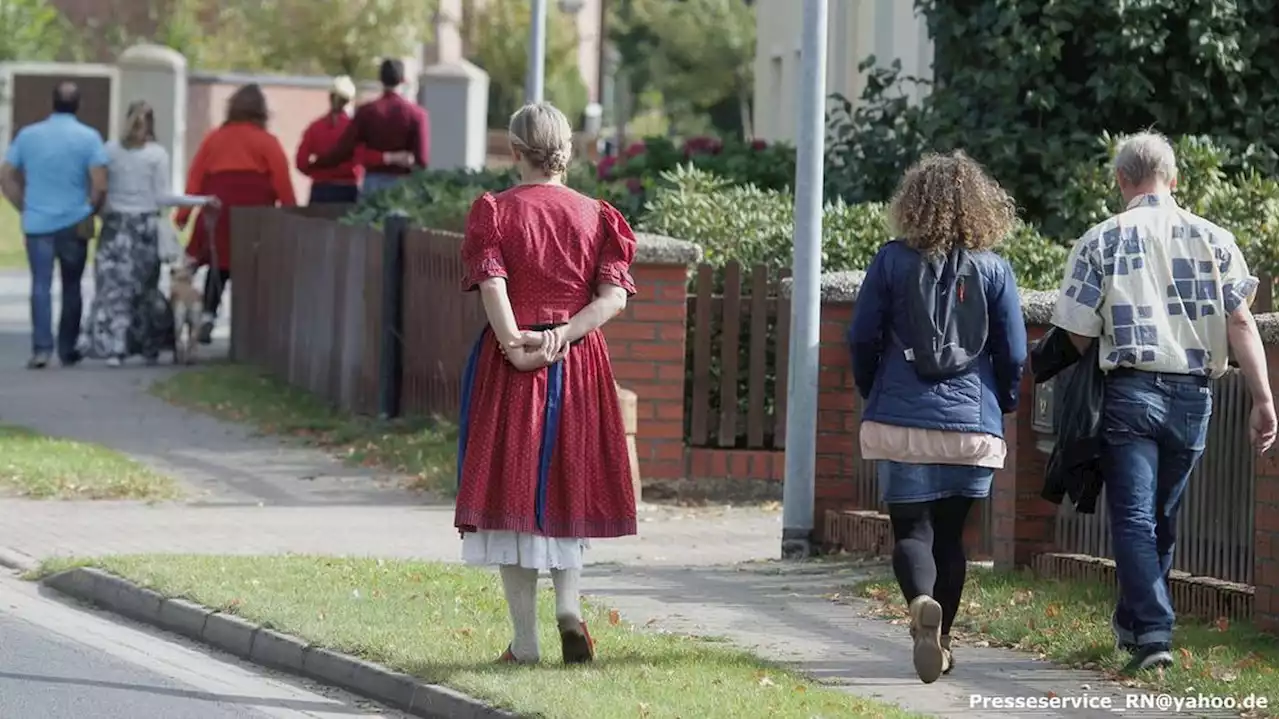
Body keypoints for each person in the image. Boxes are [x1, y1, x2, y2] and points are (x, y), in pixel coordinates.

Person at [1050, 132, 1276, 674]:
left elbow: (1076, 335)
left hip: (1130, 392)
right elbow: (1241, 320)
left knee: (1133, 519)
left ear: (1121, 181)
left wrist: (1032, 365)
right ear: (1175, 181)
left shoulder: (1101, 239)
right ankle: (1135, 630)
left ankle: (1151, 631)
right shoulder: (1215, 239)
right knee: (1160, 516)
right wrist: (1263, 399)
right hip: (1194, 395)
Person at [454, 102, 636, 665]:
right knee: (567, 477)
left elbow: (493, 284)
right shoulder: (597, 215)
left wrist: (515, 342)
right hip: (577, 362)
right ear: (568, 150)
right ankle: (569, 606)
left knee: (512, 488)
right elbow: (613, 298)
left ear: (514, 151)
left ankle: (526, 641)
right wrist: (564, 335)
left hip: (514, 363)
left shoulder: (495, 212)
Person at [847, 151, 1027, 684]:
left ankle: (921, 601)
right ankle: (942, 638)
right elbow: (1014, 352)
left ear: (912, 203)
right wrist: (1005, 402)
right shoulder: (995, 269)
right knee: (952, 539)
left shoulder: (890, 261)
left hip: (902, 421)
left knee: (910, 531)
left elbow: (860, 336)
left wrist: (872, 388)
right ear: (981, 206)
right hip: (973, 428)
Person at [177, 83, 297, 345]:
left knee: (217, 265)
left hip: (217, 214)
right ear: (261, 112)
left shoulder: (214, 139)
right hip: (255, 219)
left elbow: (196, 178)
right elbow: (282, 183)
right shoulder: (267, 142)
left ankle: (208, 314)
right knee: (253, 270)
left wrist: (182, 215)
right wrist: (291, 214)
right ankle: (251, 325)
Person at [0, 81, 108, 369]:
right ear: (78, 105)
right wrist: (90, 210)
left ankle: (41, 349)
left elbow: (6, 174)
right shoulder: (89, 138)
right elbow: (100, 183)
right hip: (75, 221)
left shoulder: (28, 136)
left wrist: (22, 205)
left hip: (37, 223)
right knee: (72, 286)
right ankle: (67, 347)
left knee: (40, 285)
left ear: (52, 103)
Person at [79, 101, 179, 366]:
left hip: (115, 226)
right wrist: (198, 201)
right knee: (144, 289)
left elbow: (99, 185)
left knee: (112, 289)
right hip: (144, 226)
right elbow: (162, 196)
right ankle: (147, 345)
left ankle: (113, 346)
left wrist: (96, 213)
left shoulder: (109, 150)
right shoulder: (157, 154)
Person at [307, 58, 428, 195]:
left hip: (373, 181)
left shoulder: (367, 112)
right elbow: (422, 160)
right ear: (403, 80)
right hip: (403, 185)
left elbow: (344, 149)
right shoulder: (417, 115)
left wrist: (318, 165)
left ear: (380, 80)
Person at [295, 75, 383, 204]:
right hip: (346, 190)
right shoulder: (355, 129)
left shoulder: (315, 127)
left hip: (320, 190)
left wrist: (317, 173)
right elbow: (363, 158)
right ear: (349, 100)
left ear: (330, 98)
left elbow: (301, 162)